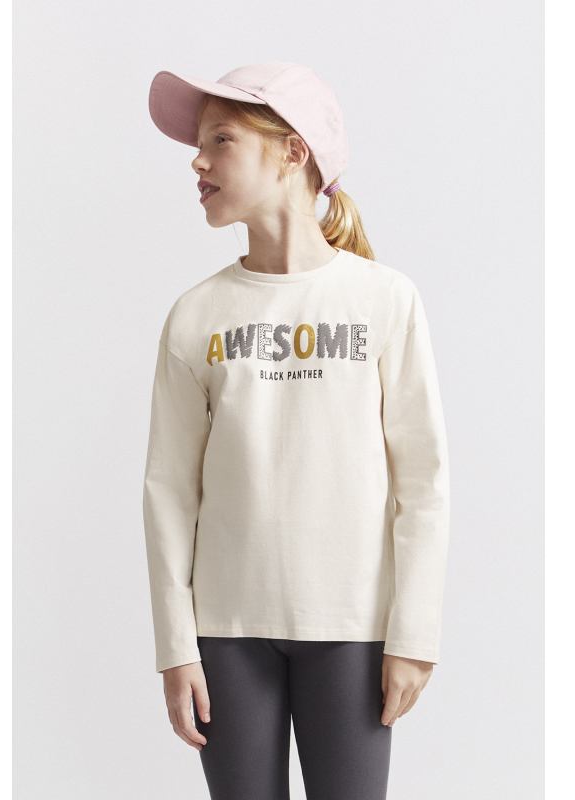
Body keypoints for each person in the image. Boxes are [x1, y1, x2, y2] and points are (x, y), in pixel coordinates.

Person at [143, 61, 450, 800]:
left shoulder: (385, 300)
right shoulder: (196, 315)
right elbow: (169, 492)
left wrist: (414, 634)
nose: (197, 160)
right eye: (198, 144)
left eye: (220, 139)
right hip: (226, 633)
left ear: (293, 151)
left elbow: (423, 481)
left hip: (353, 627)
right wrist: (176, 646)